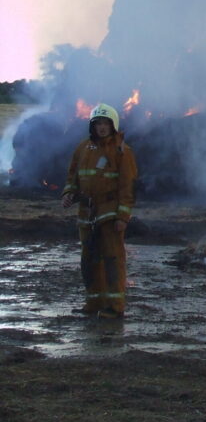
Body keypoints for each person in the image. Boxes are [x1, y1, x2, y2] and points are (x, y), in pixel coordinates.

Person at [60, 103, 138, 319]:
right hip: (86, 213)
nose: (102, 127)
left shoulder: (122, 151)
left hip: (109, 212)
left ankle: (115, 306)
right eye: (98, 123)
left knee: (112, 259)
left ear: (113, 125)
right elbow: (73, 175)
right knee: (89, 259)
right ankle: (93, 302)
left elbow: (128, 187)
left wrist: (123, 216)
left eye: (106, 123)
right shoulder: (83, 148)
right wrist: (69, 193)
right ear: (92, 126)